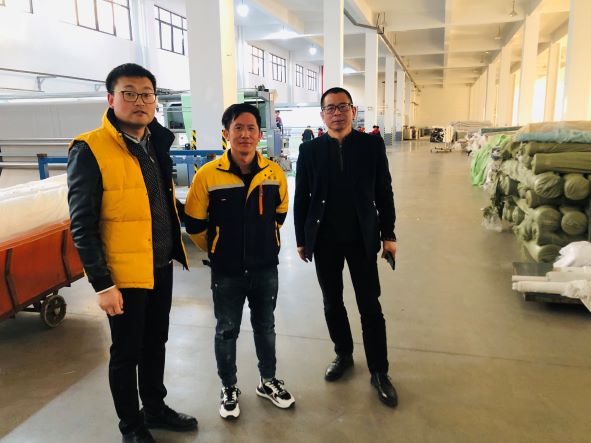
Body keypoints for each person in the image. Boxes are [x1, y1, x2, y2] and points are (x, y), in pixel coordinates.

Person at [67, 63, 197, 443]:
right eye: (129, 93)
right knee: (126, 353)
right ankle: (132, 426)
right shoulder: (90, 148)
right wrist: (102, 283)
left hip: (160, 265)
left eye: (147, 94)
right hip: (124, 275)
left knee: (156, 343)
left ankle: (155, 408)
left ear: (155, 100)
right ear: (111, 99)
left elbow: (160, 200)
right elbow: (82, 224)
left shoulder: (157, 142)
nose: (139, 101)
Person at [184, 103, 294, 420]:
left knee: (266, 327)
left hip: (265, 268)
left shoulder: (273, 173)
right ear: (226, 134)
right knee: (226, 330)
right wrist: (218, 247)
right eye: (238, 128)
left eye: (251, 128)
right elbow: (195, 224)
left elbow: (280, 215)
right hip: (227, 271)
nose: (245, 134)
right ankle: (228, 386)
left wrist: (263, 242)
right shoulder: (207, 175)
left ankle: (268, 380)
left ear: (259, 134)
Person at [293, 87, 398, 408]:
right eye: (330, 108)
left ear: (353, 111)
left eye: (343, 107)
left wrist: (389, 234)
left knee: (370, 305)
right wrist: (301, 239)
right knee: (332, 302)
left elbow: (384, 191)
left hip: (362, 238)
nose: (337, 113)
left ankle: (379, 371)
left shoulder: (371, 145)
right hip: (325, 239)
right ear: (322, 115)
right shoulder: (310, 150)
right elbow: (302, 197)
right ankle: (344, 354)